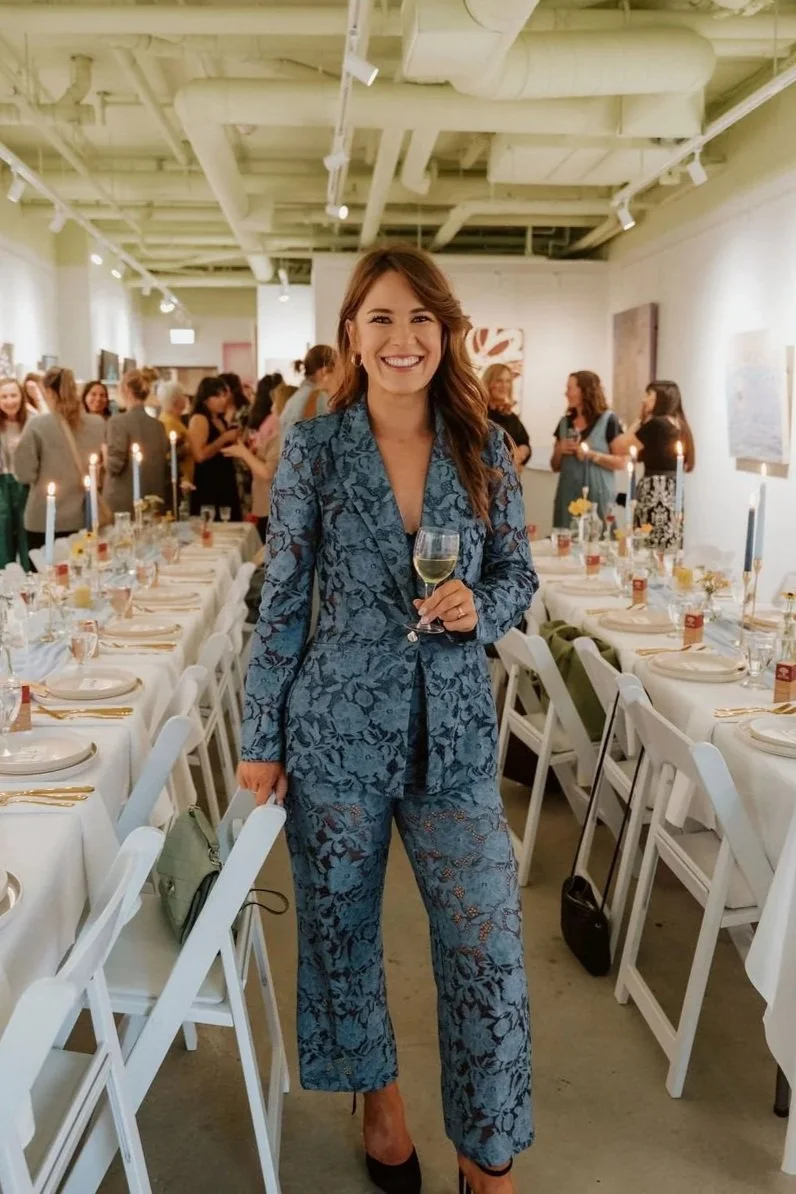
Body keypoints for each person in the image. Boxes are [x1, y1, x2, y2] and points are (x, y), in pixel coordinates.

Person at [239, 244, 536, 1194]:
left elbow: (517, 572)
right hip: (334, 730)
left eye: (420, 319)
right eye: (382, 319)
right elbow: (282, 599)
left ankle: (489, 1153)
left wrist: (481, 607)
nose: (403, 337)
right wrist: (260, 738)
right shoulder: (315, 448)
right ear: (352, 337)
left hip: (454, 736)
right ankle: (380, 1101)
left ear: (445, 333)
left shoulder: (485, 445)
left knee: (487, 947)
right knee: (340, 932)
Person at [14, 366, 106, 553]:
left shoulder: (37, 425)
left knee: (46, 569)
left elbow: (24, 474)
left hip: (44, 517)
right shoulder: (97, 424)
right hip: (84, 516)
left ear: (48, 391)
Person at [612, 380, 695, 549]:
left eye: (649, 395)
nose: (644, 400)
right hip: (673, 490)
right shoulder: (679, 424)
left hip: (654, 489)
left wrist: (639, 419)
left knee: (648, 541)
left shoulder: (657, 424)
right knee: (668, 540)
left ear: (661, 398)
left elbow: (619, 447)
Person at [550, 371, 625, 525]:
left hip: (599, 497)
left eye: (570, 388)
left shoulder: (609, 421)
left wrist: (591, 455)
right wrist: (559, 450)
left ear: (584, 391)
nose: (566, 393)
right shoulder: (564, 423)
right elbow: (555, 466)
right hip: (568, 497)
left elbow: (622, 462)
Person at [223, 374, 280, 542]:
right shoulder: (268, 422)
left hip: (271, 500)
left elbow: (268, 472)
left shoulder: (276, 427)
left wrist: (244, 453)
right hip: (264, 499)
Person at [104, 369, 169, 515]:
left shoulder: (117, 422)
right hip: (153, 499)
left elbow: (114, 466)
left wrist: (103, 451)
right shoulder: (158, 426)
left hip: (123, 503)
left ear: (126, 389)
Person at [187, 376, 241, 519]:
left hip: (225, 479)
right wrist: (224, 438)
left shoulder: (219, 419)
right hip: (209, 482)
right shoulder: (199, 419)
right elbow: (199, 455)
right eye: (217, 396)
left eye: (224, 396)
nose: (223, 400)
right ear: (205, 399)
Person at [0, 377, 33, 569]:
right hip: (2, 483)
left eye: (13, 395)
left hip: (25, 482)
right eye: (4, 397)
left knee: (26, 532)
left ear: (21, 396)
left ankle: (31, 576)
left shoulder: (32, 419)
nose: (9, 401)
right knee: (3, 535)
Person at [482, 364, 531, 467]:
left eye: (508, 381)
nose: (504, 386)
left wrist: (522, 452)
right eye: (499, 380)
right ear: (488, 383)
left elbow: (524, 442)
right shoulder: (478, 413)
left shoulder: (510, 416)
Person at [280, 344, 338, 430]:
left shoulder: (294, 398)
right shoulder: (319, 398)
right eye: (336, 371)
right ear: (323, 372)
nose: (339, 378)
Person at [157, 380, 193, 485]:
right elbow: (171, 454)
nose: (186, 399)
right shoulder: (169, 422)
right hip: (180, 479)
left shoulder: (174, 419)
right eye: (184, 396)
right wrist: (190, 446)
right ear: (177, 401)